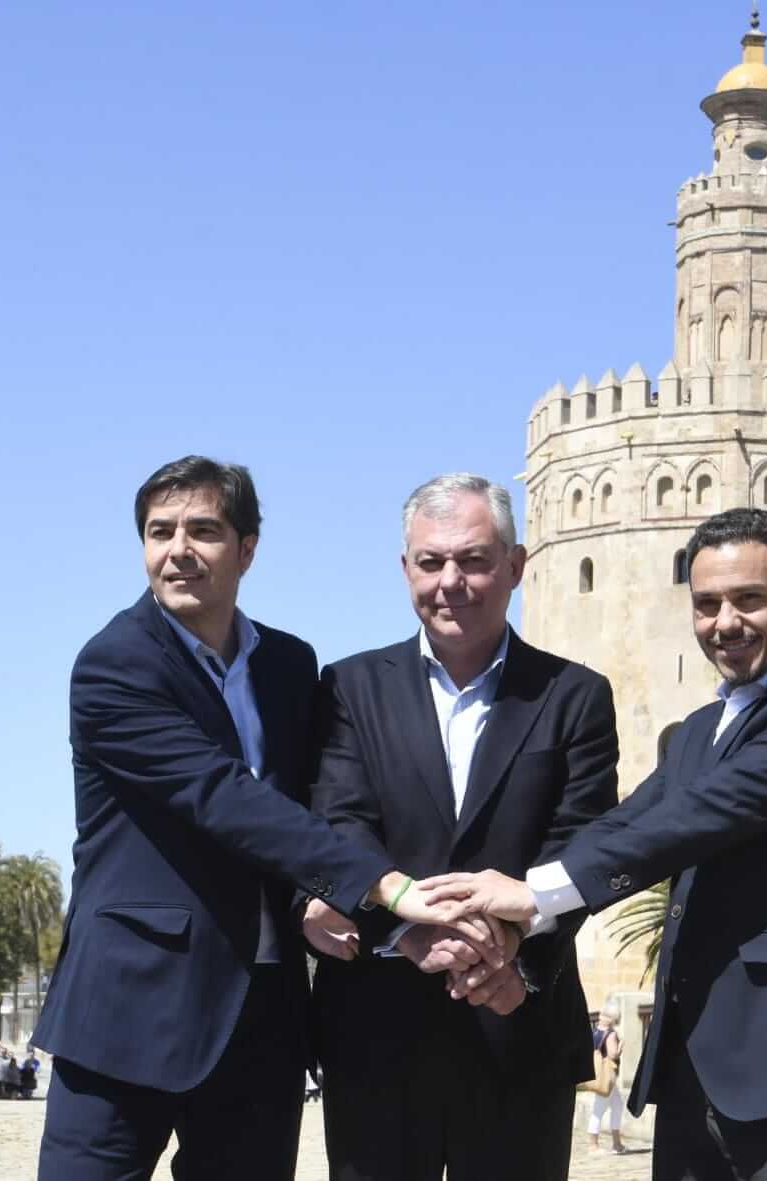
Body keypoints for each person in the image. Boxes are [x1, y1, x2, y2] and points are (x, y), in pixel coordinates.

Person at [422, 508, 767, 1181]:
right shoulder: (702, 728)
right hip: (692, 1067)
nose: (724, 623)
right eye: (706, 604)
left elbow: (703, 815)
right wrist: (518, 923)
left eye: (749, 599)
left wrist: (533, 892)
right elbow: (630, 822)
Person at [33, 456, 466, 1181]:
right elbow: (223, 797)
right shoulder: (114, 665)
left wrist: (306, 900)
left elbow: (306, 804)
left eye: (202, 529)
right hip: (131, 1005)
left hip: (263, 1008)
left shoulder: (291, 665)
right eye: (158, 531)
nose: (177, 549)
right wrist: (385, 886)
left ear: (247, 548)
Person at [306, 473, 619, 1181]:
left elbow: (581, 843)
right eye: (431, 560)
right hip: (376, 1039)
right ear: (405, 568)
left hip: (519, 1029)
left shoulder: (574, 697)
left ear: (515, 566)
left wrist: (514, 950)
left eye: (474, 559)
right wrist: (402, 929)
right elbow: (340, 822)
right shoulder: (348, 688)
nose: (451, 580)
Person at [588, 1005, 626, 1155]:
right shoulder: (610, 1034)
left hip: (600, 1075)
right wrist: (621, 1045)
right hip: (607, 1077)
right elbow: (613, 1055)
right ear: (612, 1019)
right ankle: (593, 1145)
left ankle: (617, 1143)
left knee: (617, 1105)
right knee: (598, 1110)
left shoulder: (595, 1031)